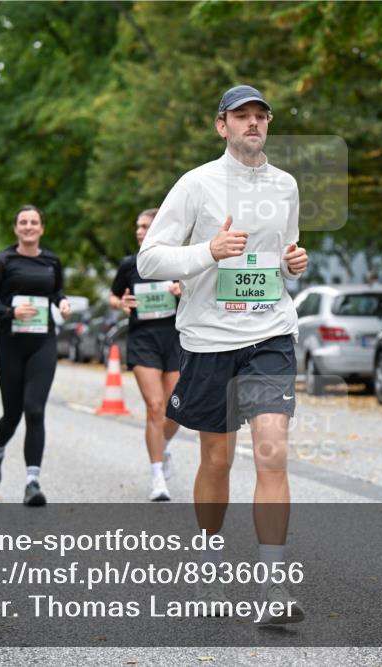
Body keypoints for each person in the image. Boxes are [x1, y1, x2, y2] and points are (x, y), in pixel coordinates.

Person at [137, 85, 309, 624]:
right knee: (217, 458)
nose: (252, 124)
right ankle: (209, 549)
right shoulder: (195, 185)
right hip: (210, 340)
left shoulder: (285, 186)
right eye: (242, 117)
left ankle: (274, 587)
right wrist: (207, 251)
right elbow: (149, 261)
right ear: (222, 126)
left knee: (271, 451)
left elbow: (282, 258)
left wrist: (293, 263)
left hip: (271, 335)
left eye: (261, 116)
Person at [0, 205, 70, 507]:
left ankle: (32, 482)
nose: (29, 226)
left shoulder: (52, 260)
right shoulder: (4, 261)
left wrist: (63, 303)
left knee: (34, 409)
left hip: (42, 342)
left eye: (34, 222)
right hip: (10, 344)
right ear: (16, 228)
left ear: (42, 228)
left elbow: (57, 292)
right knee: (12, 415)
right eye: (23, 222)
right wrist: (10, 311)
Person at [110, 208, 182, 502]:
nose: (139, 231)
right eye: (137, 226)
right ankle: (157, 478)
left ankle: (161, 447)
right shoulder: (130, 265)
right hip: (142, 340)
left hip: (175, 339)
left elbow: (199, 292)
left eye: (145, 226)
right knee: (155, 406)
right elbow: (113, 295)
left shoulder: (177, 262)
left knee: (176, 409)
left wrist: (183, 291)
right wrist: (121, 303)